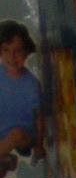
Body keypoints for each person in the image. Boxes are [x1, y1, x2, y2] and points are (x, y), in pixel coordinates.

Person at [0, 20, 42, 167]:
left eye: (17, 51)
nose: (11, 57)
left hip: (24, 135)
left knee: (16, 134)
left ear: (26, 52)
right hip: (2, 131)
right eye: (6, 50)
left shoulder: (31, 84)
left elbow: (39, 117)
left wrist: (39, 144)